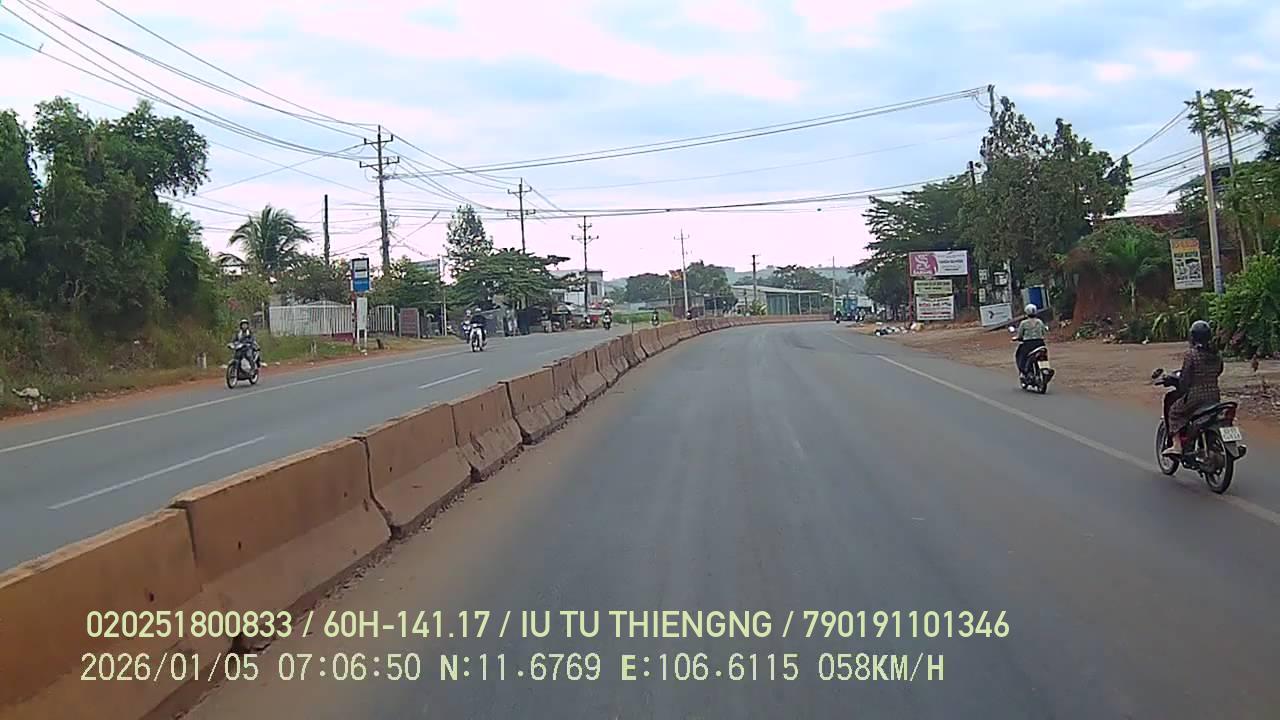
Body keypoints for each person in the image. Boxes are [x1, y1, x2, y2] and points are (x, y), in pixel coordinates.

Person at [1163, 320, 1223, 457]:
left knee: (1174, 412)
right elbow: (1219, 371)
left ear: (1193, 337)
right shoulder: (1217, 354)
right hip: (1214, 397)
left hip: (1196, 398)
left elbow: (1185, 380)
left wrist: (1182, 387)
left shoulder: (1191, 354)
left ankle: (1177, 446)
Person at [1013, 303, 1048, 377]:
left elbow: (1020, 335)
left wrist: (1016, 338)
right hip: (1040, 343)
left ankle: (1024, 371)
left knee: (1021, 356)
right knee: (1043, 354)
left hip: (1028, 344)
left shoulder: (1023, 323)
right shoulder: (1040, 322)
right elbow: (1044, 332)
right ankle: (1045, 368)